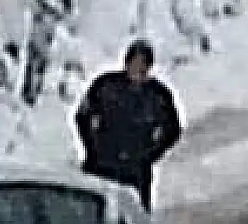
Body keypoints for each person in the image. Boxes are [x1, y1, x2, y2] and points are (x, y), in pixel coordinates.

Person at [74, 40, 183, 210]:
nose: (138, 69)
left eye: (143, 64)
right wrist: (92, 146)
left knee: (133, 220)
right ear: (127, 62)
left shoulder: (158, 95)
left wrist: (150, 155)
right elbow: (82, 115)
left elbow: (173, 129)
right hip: (101, 166)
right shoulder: (105, 85)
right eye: (135, 63)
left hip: (136, 172)